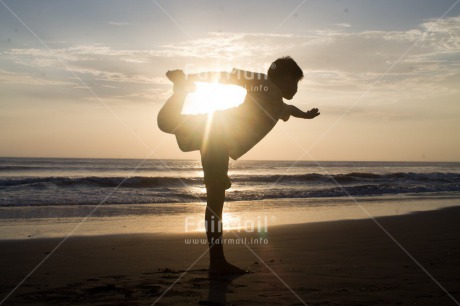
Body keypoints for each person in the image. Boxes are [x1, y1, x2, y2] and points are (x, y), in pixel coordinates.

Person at [157, 56, 320, 275]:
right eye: (296, 83)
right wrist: (189, 77)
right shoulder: (262, 82)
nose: (297, 89)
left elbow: (289, 109)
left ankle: (218, 262)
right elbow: (227, 76)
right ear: (286, 77)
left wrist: (306, 116)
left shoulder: (277, 103)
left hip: (218, 140)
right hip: (215, 132)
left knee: (215, 199)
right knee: (167, 123)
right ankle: (182, 87)